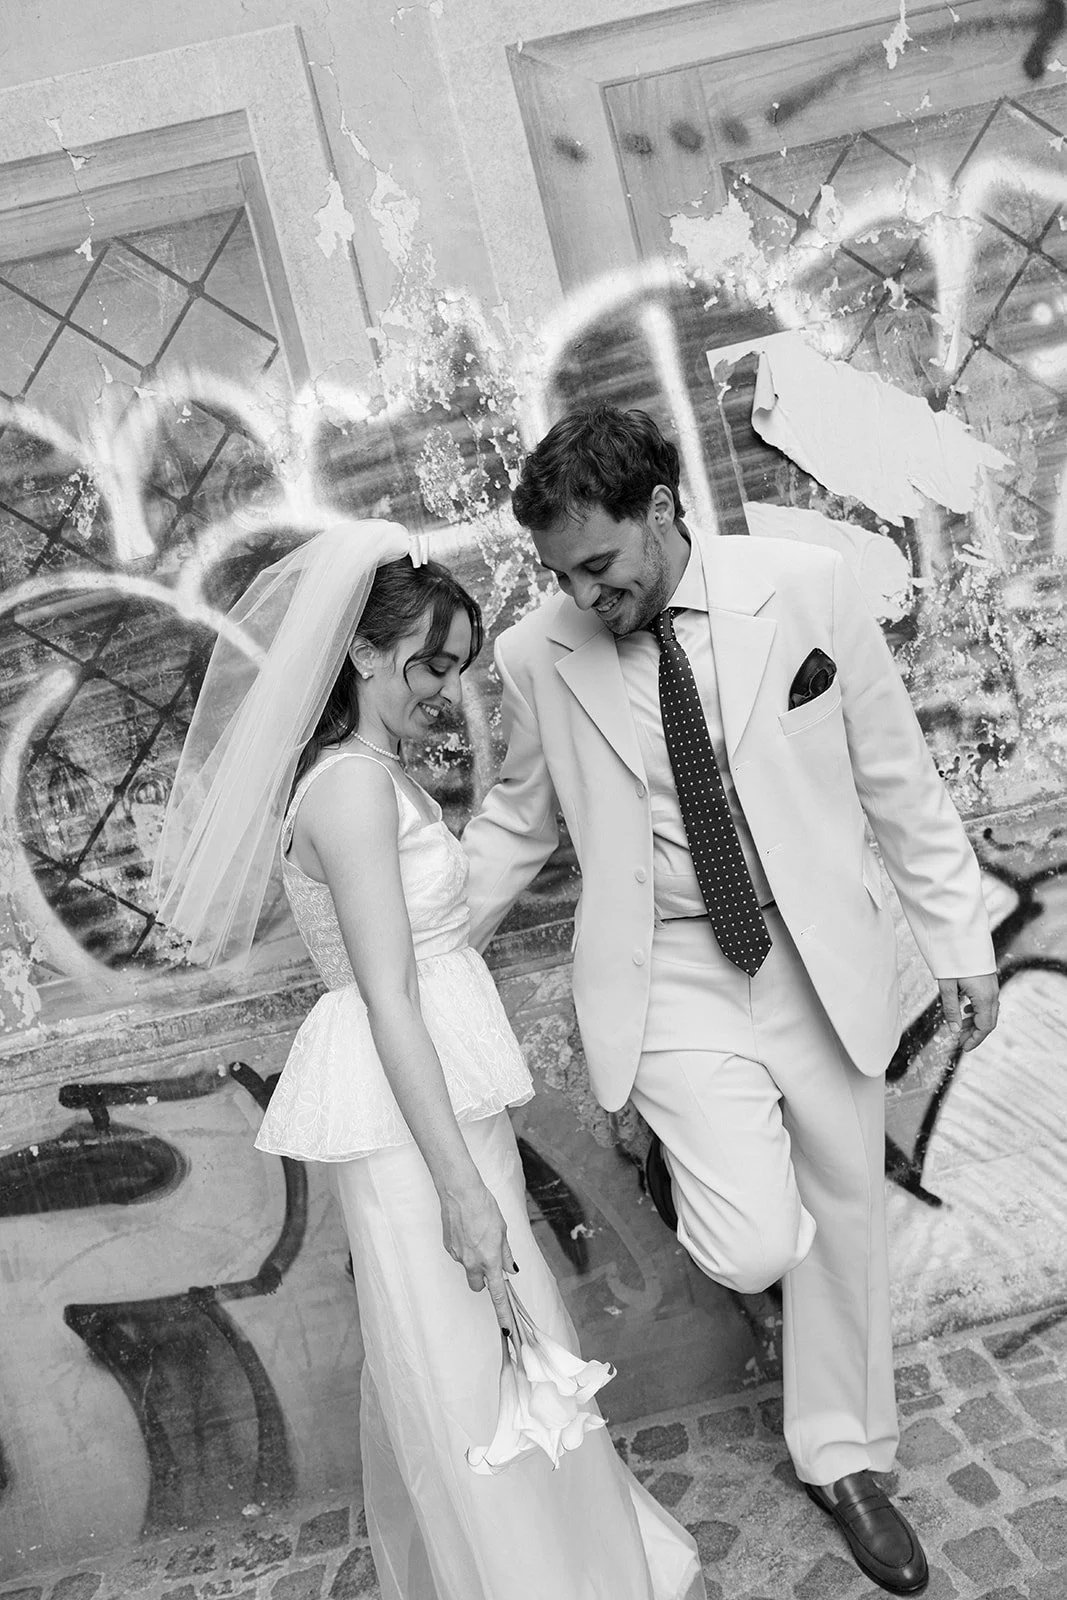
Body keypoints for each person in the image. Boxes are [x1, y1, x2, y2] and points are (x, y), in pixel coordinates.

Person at [462, 407, 1000, 1599]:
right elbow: (513, 820)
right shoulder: (534, 652)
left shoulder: (805, 591)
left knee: (846, 1211)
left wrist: (960, 938)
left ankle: (842, 1456)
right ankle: (705, 1181)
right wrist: (416, 941)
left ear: (660, 510)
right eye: (560, 576)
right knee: (756, 1232)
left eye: (598, 567)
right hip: (670, 969)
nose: (585, 599)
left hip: (815, 960)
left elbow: (895, 777)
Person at [152, 519, 705, 1600]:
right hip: (418, 1133)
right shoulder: (350, 791)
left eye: (457, 666)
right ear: (361, 652)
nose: (444, 689)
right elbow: (387, 993)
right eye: (431, 664)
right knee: (467, 1370)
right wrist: (460, 1188)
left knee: (509, 1346)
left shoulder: (375, 773)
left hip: (446, 1109)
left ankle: (577, 1565)